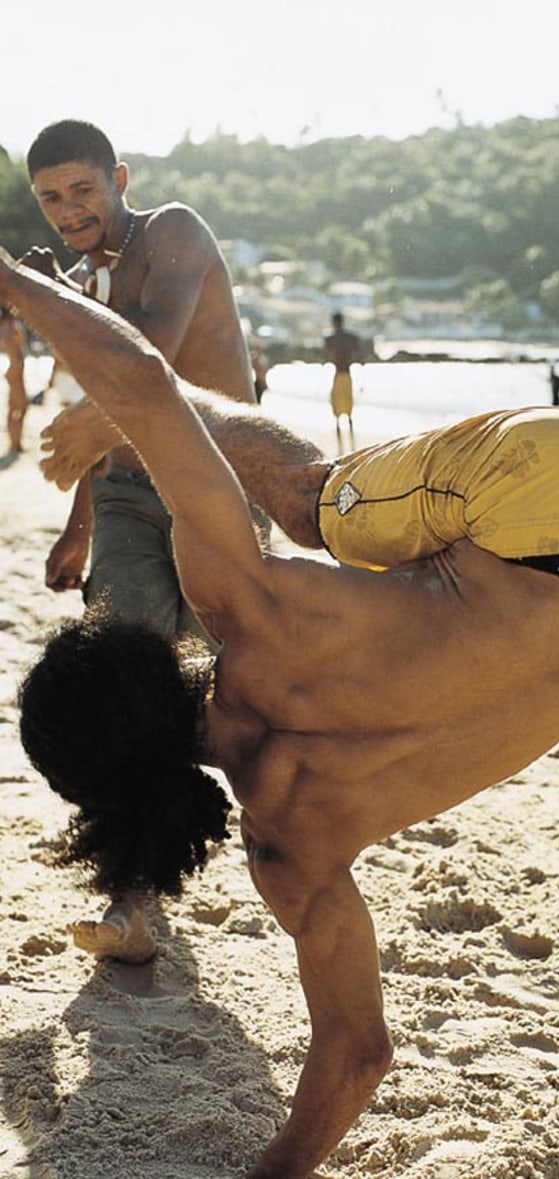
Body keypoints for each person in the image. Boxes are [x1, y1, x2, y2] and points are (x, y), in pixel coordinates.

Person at [4, 247, 559, 1179]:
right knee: (315, 500)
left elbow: (357, 1054)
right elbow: (151, 384)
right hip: (553, 480)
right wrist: (12, 282)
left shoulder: (292, 846)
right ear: (138, 655)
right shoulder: (250, 617)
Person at [24, 119, 266, 961]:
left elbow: (149, 362)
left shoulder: (174, 234)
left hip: (221, 487)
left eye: (82, 190)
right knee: (126, 667)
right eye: (50, 198)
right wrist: (76, 527)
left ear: (118, 178)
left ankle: (233, 839)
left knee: (222, 683)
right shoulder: (89, 284)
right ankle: (132, 901)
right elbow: (105, 414)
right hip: (128, 494)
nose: (68, 209)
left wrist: (92, 411)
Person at [324, 310, 363, 449]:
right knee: (349, 412)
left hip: (337, 376)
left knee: (337, 414)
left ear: (333, 323)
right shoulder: (351, 338)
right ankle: (352, 444)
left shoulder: (330, 339)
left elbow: (326, 359)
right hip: (348, 376)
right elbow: (360, 359)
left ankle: (340, 447)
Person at [0, 309, 28, 452]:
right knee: (19, 407)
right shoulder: (7, 323)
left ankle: (16, 442)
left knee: (17, 407)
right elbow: (7, 343)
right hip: (15, 369)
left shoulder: (11, 322)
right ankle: (15, 443)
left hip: (16, 368)